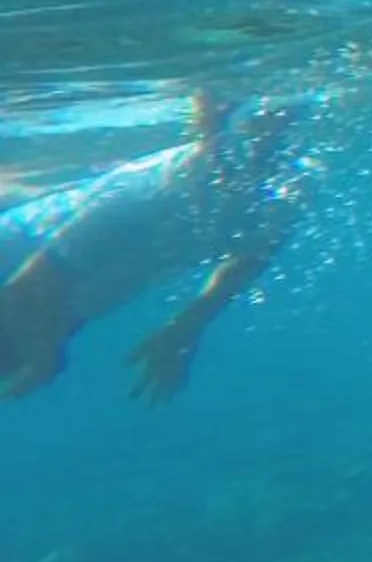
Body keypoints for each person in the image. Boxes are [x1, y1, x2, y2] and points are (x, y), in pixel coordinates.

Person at [0, 100, 298, 401]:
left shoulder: (282, 192)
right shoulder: (146, 194)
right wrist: (43, 355)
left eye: (277, 127)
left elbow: (254, 255)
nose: (267, 136)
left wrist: (185, 327)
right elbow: (29, 282)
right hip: (17, 260)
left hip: (72, 290)